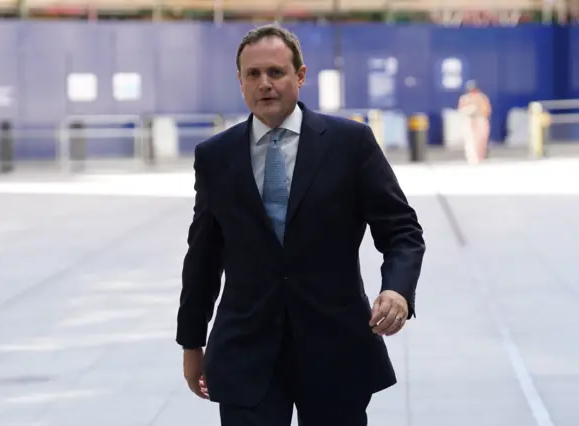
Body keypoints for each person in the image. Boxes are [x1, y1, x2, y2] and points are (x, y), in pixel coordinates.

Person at [176, 23, 425, 426]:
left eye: (276, 72)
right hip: (246, 351)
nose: (265, 84)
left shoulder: (350, 144)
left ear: (300, 76)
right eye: (253, 74)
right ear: (240, 82)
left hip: (335, 348)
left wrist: (397, 290)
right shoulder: (215, 156)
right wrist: (191, 342)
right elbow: (203, 255)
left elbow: (402, 231)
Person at [458, 80, 491, 164]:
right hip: (469, 120)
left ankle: (480, 157)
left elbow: (487, 110)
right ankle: (472, 158)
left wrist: (478, 111)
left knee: (481, 139)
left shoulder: (482, 97)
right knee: (470, 140)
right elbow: (461, 110)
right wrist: (468, 111)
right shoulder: (464, 98)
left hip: (480, 119)